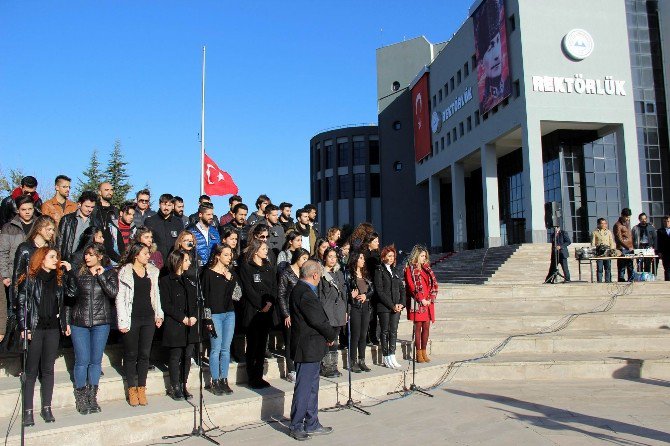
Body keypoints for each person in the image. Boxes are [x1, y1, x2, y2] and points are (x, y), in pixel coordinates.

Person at [17, 247, 72, 426]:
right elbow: (21, 304)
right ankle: (27, 411)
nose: (56, 260)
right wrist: (24, 326)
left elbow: (72, 294)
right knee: (31, 370)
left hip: (53, 330)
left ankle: (46, 407)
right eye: (52, 257)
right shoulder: (30, 279)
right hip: (35, 328)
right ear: (41, 259)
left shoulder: (59, 279)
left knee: (48, 369)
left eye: (56, 257)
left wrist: (69, 273)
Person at [66, 242, 118, 415]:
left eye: (91, 254)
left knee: (95, 361)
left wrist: (101, 276)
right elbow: (70, 296)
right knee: (82, 361)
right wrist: (69, 275)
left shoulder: (110, 273)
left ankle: (92, 396)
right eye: (86, 254)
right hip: (79, 321)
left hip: (101, 322)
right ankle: (81, 397)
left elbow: (112, 293)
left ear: (100, 256)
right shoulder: (79, 273)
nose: (87, 257)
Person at [287, 260, 336, 441]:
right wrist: (331, 335)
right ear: (315, 275)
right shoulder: (304, 292)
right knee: (305, 387)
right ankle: (296, 425)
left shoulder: (303, 290)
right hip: (306, 346)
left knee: (312, 387)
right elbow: (317, 320)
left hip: (313, 346)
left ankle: (312, 422)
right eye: (320, 275)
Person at [116, 242, 164, 407]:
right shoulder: (125, 272)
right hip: (132, 318)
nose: (148, 256)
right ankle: (132, 389)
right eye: (145, 253)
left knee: (144, 354)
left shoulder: (152, 272)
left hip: (148, 317)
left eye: (148, 253)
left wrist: (159, 314)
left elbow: (156, 295)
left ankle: (142, 388)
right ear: (136, 255)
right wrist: (122, 320)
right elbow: (120, 298)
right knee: (131, 355)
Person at [160, 249, 198, 400]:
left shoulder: (189, 281)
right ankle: (174, 386)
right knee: (175, 356)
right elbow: (167, 304)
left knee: (187, 356)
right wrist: (182, 318)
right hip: (176, 324)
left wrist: (194, 316)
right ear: (179, 261)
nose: (189, 263)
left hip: (190, 325)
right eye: (187, 260)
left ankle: (183, 384)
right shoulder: (166, 281)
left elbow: (195, 301)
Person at [238, 239, 277, 389]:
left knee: (262, 346)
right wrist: (261, 305)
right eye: (263, 249)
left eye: (266, 248)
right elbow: (248, 289)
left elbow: (274, 286)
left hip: (267, 311)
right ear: (255, 251)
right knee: (253, 345)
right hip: (253, 311)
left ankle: (259, 376)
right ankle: (252, 377)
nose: (266, 251)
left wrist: (270, 303)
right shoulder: (246, 267)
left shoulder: (268, 266)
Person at [202, 244, 238, 395]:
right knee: (215, 349)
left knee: (226, 349)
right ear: (217, 255)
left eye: (230, 255)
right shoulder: (208, 273)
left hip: (229, 313)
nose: (229, 257)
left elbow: (236, 296)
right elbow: (205, 299)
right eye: (226, 254)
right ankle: (214, 380)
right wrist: (208, 319)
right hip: (215, 315)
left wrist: (230, 280)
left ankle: (224, 379)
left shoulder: (231, 273)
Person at [8, 216, 57, 318]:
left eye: (53, 229)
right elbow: (17, 275)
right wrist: (15, 301)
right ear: (39, 229)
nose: (52, 232)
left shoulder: (52, 250)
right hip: (29, 296)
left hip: (47, 297)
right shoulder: (25, 248)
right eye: (49, 229)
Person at [277, 248, 310, 383]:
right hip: (290, 313)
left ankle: (300, 367)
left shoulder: (304, 274)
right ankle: (291, 370)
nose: (306, 262)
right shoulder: (286, 273)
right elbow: (281, 295)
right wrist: (286, 314)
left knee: (301, 341)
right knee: (290, 341)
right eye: (304, 259)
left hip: (302, 313)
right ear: (298, 258)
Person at [404, 245, 438, 364]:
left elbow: (432, 284)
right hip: (418, 301)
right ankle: (418, 353)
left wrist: (429, 298)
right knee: (418, 327)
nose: (424, 258)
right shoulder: (410, 269)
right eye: (422, 256)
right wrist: (421, 298)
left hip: (428, 302)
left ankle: (424, 351)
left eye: (425, 256)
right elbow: (411, 286)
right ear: (417, 256)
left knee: (427, 327)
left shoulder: (427, 269)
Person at [374, 245, 405, 369]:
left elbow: (402, 289)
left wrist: (401, 304)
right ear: (384, 256)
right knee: (385, 331)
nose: (391, 258)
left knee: (393, 331)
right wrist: (392, 305)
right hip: (385, 307)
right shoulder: (379, 270)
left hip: (397, 307)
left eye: (393, 256)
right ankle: (386, 356)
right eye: (389, 255)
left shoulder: (396, 270)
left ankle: (392, 354)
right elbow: (380, 291)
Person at [1, 195, 35, 294]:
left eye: (30, 209)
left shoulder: (39, 224)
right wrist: (5, 275)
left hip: (35, 274)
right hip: (14, 274)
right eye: (23, 209)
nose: (27, 212)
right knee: (14, 306)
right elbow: (3, 253)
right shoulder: (8, 227)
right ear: (17, 210)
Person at [346, 251, 372, 373]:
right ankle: (353, 361)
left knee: (363, 335)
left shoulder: (365, 275)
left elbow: (373, 289)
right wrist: (352, 296)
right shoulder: (349, 275)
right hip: (355, 308)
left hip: (366, 307)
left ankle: (362, 360)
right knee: (355, 335)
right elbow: (346, 293)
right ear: (355, 259)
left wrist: (365, 296)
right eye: (361, 258)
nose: (363, 260)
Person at [57, 191, 96, 262]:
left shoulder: (95, 222)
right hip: (67, 259)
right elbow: (59, 241)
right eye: (87, 206)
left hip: (86, 261)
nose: (89, 209)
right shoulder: (67, 219)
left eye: (92, 207)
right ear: (79, 204)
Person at [144, 193, 184, 263]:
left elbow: (181, 242)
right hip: (155, 262)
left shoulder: (178, 222)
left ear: (173, 206)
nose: (166, 208)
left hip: (173, 263)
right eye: (164, 204)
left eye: (169, 205)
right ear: (159, 205)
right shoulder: (150, 221)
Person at [363, 233, 381, 346]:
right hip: (366, 285)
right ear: (369, 242)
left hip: (375, 285)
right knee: (366, 313)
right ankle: (365, 336)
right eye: (375, 241)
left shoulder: (377, 254)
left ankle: (373, 336)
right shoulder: (363, 254)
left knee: (374, 313)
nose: (378, 243)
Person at [591, 218, 616, 283]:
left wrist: (612, 250)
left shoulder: (608, 232)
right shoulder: (595, 232)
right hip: (599, 252)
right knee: (599, 268)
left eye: (605, 223)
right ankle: (599, 281)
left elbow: (611, 241)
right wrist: (594, 250)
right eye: (602, 223)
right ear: (598, 224)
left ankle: (608, 281)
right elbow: (593, 243)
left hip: (607, 251)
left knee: (607, 267)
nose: (604, 225)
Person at [614, 208, 634, 282]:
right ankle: (621, 280)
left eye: (629, 217)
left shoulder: (627, 224)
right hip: (622, 249)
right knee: (622, 266)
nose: (628, 219)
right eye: (626, 217)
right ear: (622, 215)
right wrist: (627, 247)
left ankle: (631, 279)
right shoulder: (617, 225)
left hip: (630, 248)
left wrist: (631, 246)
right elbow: (619, 239)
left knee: (630, 265)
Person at [656, 216, 670, 281]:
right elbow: (658, 242)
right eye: (665, 221)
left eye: (668, 221)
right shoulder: (659, 231)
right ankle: (667, 282)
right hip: (665, 253)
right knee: (667, 268)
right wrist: (659, 252)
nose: (666, 223)